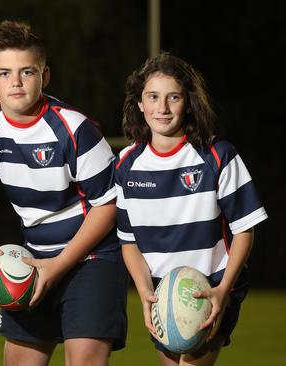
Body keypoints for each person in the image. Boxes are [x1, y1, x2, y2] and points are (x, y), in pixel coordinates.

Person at [0, 20, 127, 366]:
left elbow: (109, 205)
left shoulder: (74, 129)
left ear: (45, 76)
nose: (15, 82)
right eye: (5, 73)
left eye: (27, 72)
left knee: (84, 360)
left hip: (92, 258)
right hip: (33, 258)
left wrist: (58, 265)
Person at [115, 52, 268, 365]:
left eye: (174, 97)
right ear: (140, 103)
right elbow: (128, 242)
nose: (163, 108)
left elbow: (244, 230)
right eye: (153, 97)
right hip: (162, 293)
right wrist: (145, 292)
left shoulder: (216, 155)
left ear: (188, 102)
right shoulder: (127, 164)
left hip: (210, 287)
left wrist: (223, 291)